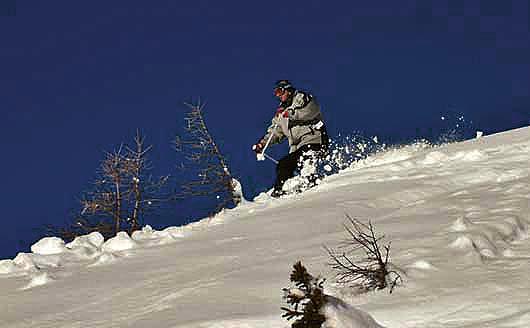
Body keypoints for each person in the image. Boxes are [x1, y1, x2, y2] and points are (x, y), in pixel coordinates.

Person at [253, 80, 329, 197]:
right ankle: (279, 192)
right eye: (276, 94)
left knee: (306, 158)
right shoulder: (281, 113)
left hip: (314, 140)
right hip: (297, 148)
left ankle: (312, 183)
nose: (278, 96)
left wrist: (292, 114)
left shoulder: (301, 98)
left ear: (287, 90)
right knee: (283, 164)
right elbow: (275, 132)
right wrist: (262, 144)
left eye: (280, 92)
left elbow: (312, 110)